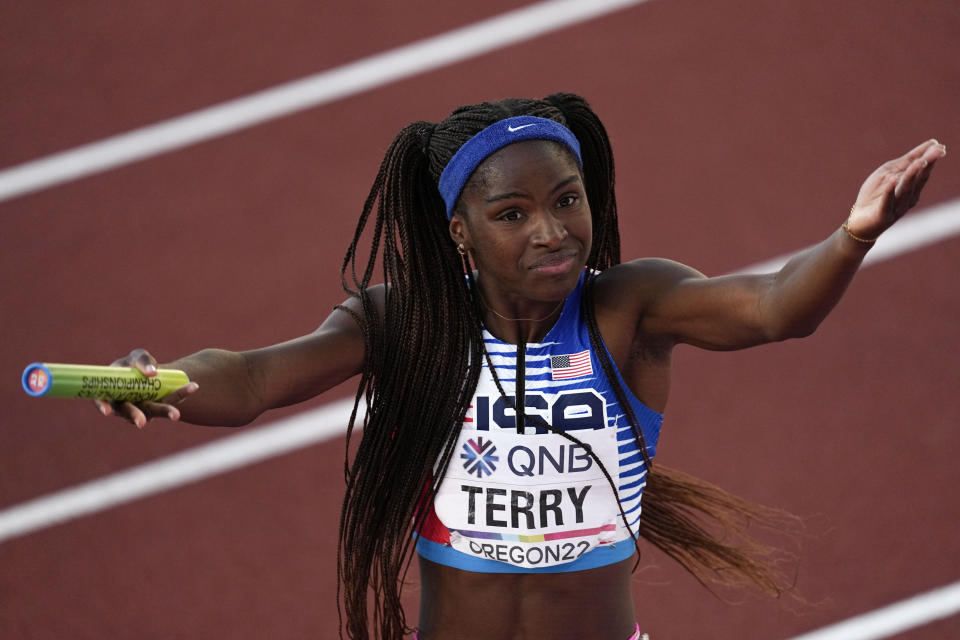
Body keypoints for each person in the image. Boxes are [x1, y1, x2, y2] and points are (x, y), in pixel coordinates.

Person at [95, 93, 945, 640]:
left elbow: (772, 308)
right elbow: (248, 378)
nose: (551, 230)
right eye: (513, 212)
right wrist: (161, 379)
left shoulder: (629, 310)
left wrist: (855, 235)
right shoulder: (407, 324)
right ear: (460, 232)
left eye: (567, 200)